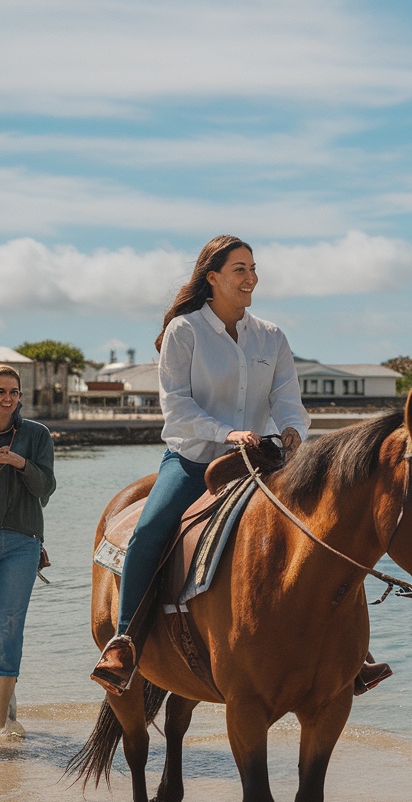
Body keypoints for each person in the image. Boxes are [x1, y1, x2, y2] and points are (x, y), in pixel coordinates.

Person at [91, 235, 391, 697]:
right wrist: (226, 433)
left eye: (253, 268)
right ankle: (125, 640)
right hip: (194, 461)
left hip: (264, 463)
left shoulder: (271, 335)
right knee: (151, 530)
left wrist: (292, 430)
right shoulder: (185, 331)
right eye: (240, 269)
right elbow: (177, 408)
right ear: (212, 277)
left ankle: (352, 654)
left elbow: (289, 399)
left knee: (325, 530)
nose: (251, 278)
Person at [0, 364, 56, 738]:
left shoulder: (36, 434)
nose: (6, 399)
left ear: (21, 396)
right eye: (0, 391)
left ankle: (2, 719)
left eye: (13, 392)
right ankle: (9, 704)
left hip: (22, 541)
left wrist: (21, 463)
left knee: (9, 625)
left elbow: (47, 490)